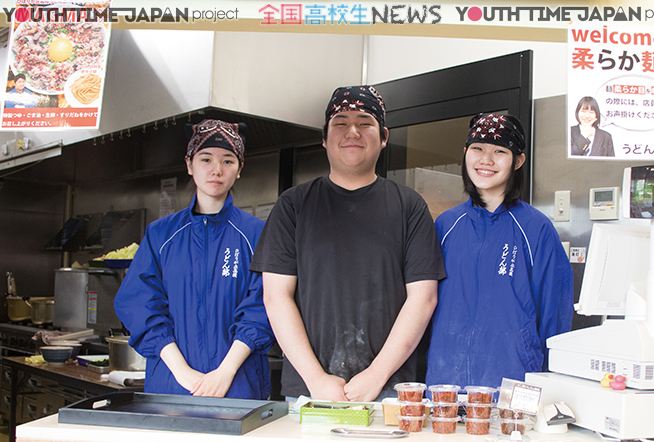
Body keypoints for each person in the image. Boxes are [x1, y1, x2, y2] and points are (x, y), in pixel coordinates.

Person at [250, 85, 445, 402]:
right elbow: (276, 297)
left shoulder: (410, 206)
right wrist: (316, 379)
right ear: (325, 138)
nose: (352, 131)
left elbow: (423, 299)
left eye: (364, 122)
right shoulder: (293, 206)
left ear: (383, 137)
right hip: (309, 393)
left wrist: (376, 376)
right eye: (340, 122)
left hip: (388, 394)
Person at [114, 119, 274, 399]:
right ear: (189, 165)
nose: (216, 169)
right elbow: (139, 303)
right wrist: (182, 372)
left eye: (228, 161)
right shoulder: (160, 234)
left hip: (238, 386)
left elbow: (265, 306)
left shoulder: (257, 234)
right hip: (172, 387)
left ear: (239, 170)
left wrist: (225, 373)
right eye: (206, 159)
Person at [426, 113, 574, 389]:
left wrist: (549, 384)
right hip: (445, 387)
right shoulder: (445, 225)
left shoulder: (536, 229)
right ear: (465, 154)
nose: (486, 160)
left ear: (518, 160)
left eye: (499, 151)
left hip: (511, 390)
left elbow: (555, 316)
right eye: (478, 148)